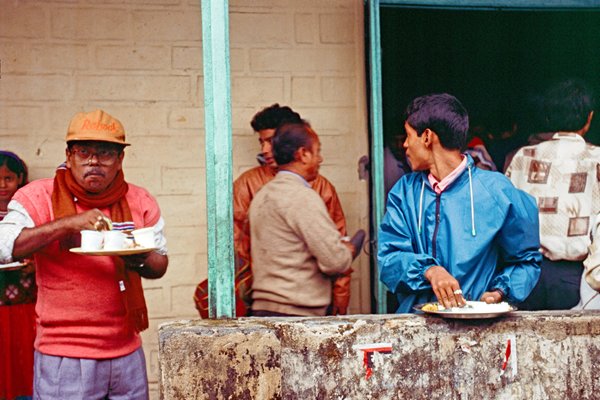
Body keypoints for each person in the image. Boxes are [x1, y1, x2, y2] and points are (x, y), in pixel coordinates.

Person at [0, 110, 168, 399]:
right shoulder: (38, 196)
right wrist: (68, 224)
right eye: (83, 152)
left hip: (127, 351)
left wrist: (136, 256)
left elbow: (160, 264)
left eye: (105, 153)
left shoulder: (139, 200)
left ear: (120, 159)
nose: (94, 161)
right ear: (69, 156)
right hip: (63, 353)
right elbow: (6, 247)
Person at [378, 93, 541, 313]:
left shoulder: (498, 191)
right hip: (415, 326)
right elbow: (388, 260)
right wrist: (430, 271)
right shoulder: (403, 193)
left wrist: (500, 291)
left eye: (408, 135)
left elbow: (526, 260)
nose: (405, 145)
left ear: (427, 137)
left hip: (478, 329)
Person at [194, 104, 352, 317]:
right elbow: (235, 250)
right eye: (262, 142)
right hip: (269, 302)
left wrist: (340, 298)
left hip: (308, 304)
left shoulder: (321, 187)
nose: (265, 150)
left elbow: (336, 247)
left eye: (270, 141)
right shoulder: (247, 185)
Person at [248, 122, 364, 317]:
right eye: (317, 151)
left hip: (263, 310)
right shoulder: (302, 197)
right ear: (303, 154)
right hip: (296, 315)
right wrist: (349, 249)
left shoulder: (262, 195)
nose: (320, 159)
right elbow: (334, 261)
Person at [506, 78, 599, 310]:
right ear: (589, 118)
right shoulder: (596, 161)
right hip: (574, 279)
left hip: (526, 277)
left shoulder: (522, 158)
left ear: (548, 116)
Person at [0, 151, 35, 400]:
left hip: (27, 301)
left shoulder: (31, 214)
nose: (2, 186)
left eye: (8, 178)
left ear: (20, 178)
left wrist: (34, 263)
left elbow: (46, 246)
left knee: (26, 361)